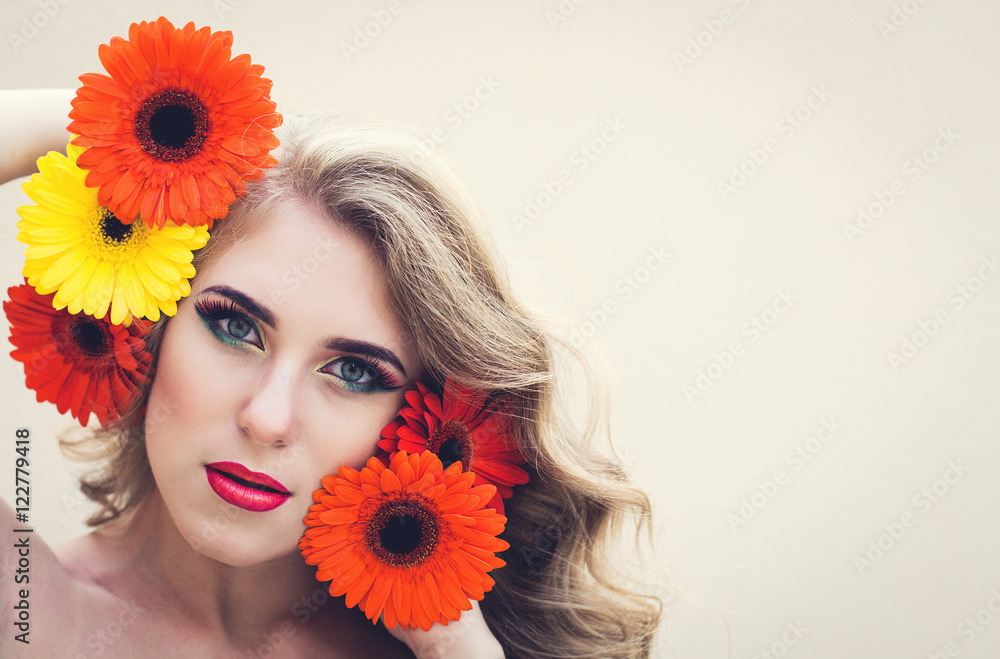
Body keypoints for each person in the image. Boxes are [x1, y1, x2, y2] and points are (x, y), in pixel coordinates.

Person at [0, 89, 662, 658]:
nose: (267, 417)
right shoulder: (28, 609)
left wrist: (457, 642)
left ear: (429, 431)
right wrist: (141, 115)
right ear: (146, 327)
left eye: (353, 371)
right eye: (235, 327)